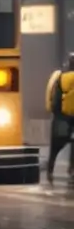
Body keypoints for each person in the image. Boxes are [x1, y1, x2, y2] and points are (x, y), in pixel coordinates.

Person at [45, 53, 74, 184]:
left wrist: (54, 112)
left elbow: (54, 97)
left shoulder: (60, 77)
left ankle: (50, 169)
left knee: (55, 146)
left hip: (62, 117)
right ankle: (72, 169)